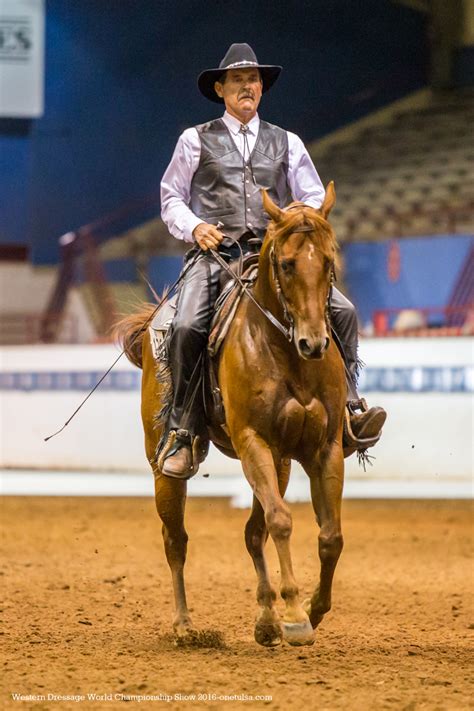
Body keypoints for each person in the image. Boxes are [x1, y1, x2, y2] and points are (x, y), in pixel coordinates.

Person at [160, 43, 386, 479]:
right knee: (187, 326)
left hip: (273, 255)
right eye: (238, 80)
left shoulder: (287, 141)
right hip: (216, 254)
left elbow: (315, 195)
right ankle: (183, 429)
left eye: (254, 80)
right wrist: (195, 228)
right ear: (221, 89)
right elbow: (170, 197)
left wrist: (297, 217)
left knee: (343, 311)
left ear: (262, 89)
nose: (247, 86)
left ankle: (351, 408)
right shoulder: (195, 139)